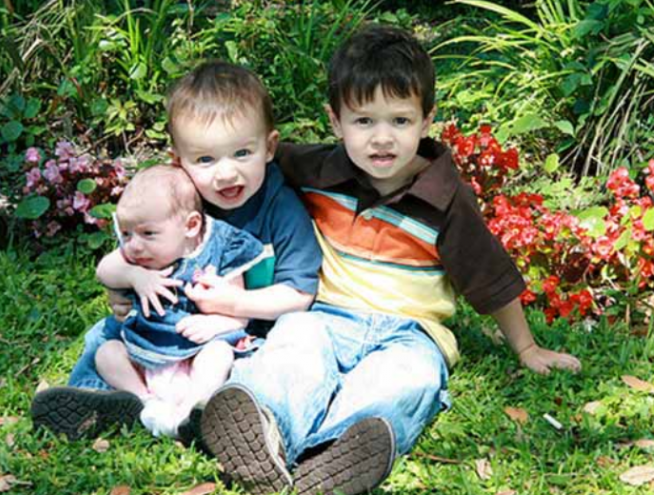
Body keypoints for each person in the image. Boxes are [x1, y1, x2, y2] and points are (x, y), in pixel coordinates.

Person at [199, 25, 582, 495]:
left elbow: (489, 277)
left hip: (412, 331)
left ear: (426, 121)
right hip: (325, 316)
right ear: (336, 121)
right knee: (294, 347)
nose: (382, 139)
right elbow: (241, 168)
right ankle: (262, 421)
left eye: (400, 121)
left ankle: (340, 450)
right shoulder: (314, 169)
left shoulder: (446, 198)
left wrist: (526, 348)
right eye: (364, 122)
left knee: (405, 379)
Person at [31, 61, 322, 441]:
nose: (225, 174)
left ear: (269, 147)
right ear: (178, 160)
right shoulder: (171, 201)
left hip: (234, 334)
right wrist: (131, 280)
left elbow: (298, 295)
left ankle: (201, 413)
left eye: (241, 153)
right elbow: (118, 263)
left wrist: (234, 306)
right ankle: (101, 400)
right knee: (104, 337)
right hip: (157, 329)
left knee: (262, 362)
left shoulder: (282, 211)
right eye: (205, 159)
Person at [93, 164, 266, 438]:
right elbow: (104, 271)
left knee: (218, 355)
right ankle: (143, 402)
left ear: (191, 226)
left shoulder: (220, 247)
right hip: (145, 351)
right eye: (126, 234)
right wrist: (135, 276)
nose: (134, 245)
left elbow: (239, 310)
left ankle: (191, 412)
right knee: (107, 352)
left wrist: (216, 323)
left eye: (148, 233)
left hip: (197, 353)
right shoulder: (136, 256)